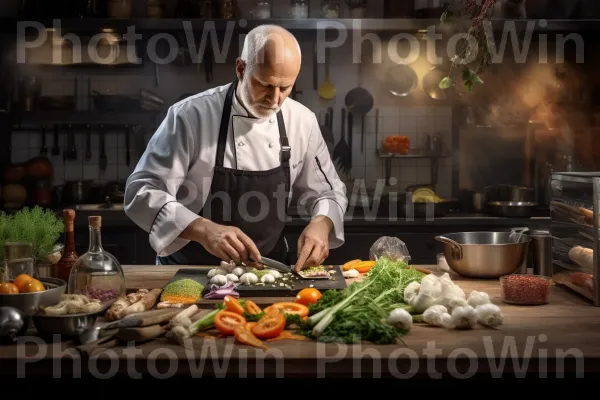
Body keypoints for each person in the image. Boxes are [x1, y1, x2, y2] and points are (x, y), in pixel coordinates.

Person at [124, 24, 347, 271]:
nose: (275, 100)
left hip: (269, 272)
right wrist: (203, 229)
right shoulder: (190, 116)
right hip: (191, 272)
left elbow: (329, 191)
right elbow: (141, 192)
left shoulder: (302, 121)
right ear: (241, 68)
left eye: (285, 88)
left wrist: (322, 222)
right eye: (265, 84)